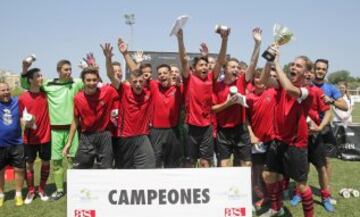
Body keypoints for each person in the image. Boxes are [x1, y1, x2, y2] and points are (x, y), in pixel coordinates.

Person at [260, 54, 315, 217]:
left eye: (299, 66)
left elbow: (291, 91)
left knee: (301, 186)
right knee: (268, 175)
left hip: (296, 144)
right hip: (278, 140)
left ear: (306, 72)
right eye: (293, 64)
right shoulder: (282, 85)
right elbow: (263, 81)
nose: (293, 67)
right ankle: (276, 208)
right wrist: (269, 62)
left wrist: (277, 64)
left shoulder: (307, 91)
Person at [21, 59, 83, 201]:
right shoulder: (47, 84)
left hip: (72, 129)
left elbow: (93, 82)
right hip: (54, 131)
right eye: (66, 69)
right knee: (57, 162)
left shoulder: (76, 83)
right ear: (58, 70)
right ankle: (60, 189)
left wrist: (92, 68)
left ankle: (76, 187)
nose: (69, 72)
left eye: (70, 69)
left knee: (74, 160)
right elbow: (27, 84)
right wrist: (25, 68)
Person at [176, 27, 229, 168]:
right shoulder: (189, 78)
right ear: (194, 68)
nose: (205, 67)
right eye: (201, 65)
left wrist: (224, 39)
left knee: (206, 162)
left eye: (206, 65)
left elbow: (220, 61)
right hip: (190, 127)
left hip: (207, 127)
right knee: (189, 162)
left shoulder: (211, 77)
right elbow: (183, 60)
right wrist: (180, 39)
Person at [212, 27, 262, 167]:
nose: (235, 69)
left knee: (246, 164)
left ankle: (246, 189)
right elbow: (213, 109)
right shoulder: (217, 85)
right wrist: (228, 104)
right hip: (223, 131)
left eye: (237, 67)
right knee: (224, 165)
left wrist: (257, 44)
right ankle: (225, 189)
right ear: (225, 69)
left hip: (240, 129)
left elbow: (252, 63)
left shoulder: (241, 81)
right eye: (232, 67)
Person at [289, 62, 334, 212]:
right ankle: (298, 193)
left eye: (310, 73)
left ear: (312, 74)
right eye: (306, 72)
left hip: (314, 138)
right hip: (297, 137)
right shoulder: (293, 90)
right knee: (302, 168)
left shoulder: (316, 91)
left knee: (321, 168)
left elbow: (328, 112)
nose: (308, 75)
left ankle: (325, 197)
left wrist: (320, 127)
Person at [104, 40, 156, 169]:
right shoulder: (124, 90)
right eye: (135, 82)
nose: (138, 84)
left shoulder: (148, 91)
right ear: (130, 82)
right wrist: (108, 58)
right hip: (125, 137)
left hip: (143, 137)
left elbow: (136, 72)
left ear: (144, 82)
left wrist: (125, 53)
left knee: (149, 167)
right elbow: (111, 75)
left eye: (140, 81)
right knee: (125, 172)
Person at [312, 58, 348, 199]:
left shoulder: (331, 88)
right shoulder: (306, 85)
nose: (320, 71)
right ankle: (298, 192)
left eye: (323, 69)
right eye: (318, 68)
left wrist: (332, 100)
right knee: (305, 162)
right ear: (314, 69)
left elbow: (344, 106)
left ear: (326, 71)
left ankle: (326, 191)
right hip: (308, 129)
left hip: (325, 129)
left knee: (327, 161)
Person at [18, 67, 51, 204]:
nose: (41, 78)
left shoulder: (46, 94)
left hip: (45, 136)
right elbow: (20, 118)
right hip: (29, 138)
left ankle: (41, 189)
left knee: (45, 163)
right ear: (30, 80)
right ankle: (31, 191)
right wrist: (27, 122)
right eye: (38, 76)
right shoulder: (22, 97)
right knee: (29, 165)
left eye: (41, 75)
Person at [246, 66, 277, 210]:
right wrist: (252, 135)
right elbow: (245, 119)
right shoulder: (249, 96)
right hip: (256, 141)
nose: (260, 80)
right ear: (253, 79)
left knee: (270, 171)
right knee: (256, 170)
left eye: (263, 77)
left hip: (272, 139)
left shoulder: (273, 92)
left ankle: (272, 197)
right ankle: (258, 195)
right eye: (258, 77)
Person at [0, 82, 25, 207]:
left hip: (17, 143)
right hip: (0, 144)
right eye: (2, 90)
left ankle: (18, 194)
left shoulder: (17, 102)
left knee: (19, 170)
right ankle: (1, 195)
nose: (6, 92)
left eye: (7, 89)